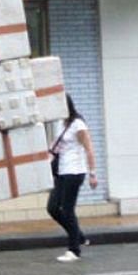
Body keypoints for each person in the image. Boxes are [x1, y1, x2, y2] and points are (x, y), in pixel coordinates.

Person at [47, 94, 98, 263]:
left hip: (75, 171)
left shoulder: (78, 124)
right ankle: (79, 235)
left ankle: (74, 250)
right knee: (53, 208)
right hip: (62, 171)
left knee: (67, 210)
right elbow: (56, 147)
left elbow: (89, 149)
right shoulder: (61, 124)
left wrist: (92, 174)